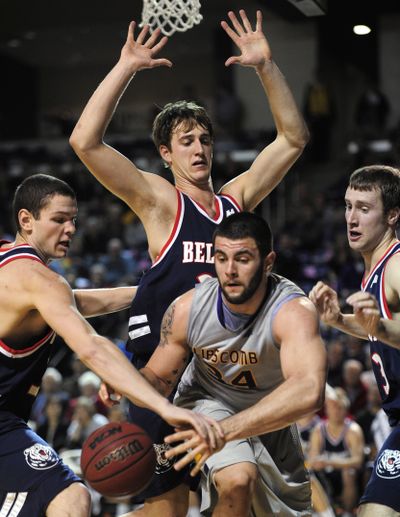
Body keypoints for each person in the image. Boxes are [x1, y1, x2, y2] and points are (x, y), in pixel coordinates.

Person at [69, 9, 309, 515]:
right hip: (159, 376)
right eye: (186, 142)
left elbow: (292, 140)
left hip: (216, 379)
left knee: (237, 486)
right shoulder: (160, 202)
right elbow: (85, 143)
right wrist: (126, 67)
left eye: (205, 139)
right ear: (165, 154)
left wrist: (266, 67)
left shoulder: (233, 203)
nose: (199, 149)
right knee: (170, 508)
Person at [0, 173, 219, 517]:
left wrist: (150, 294)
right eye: (59, 220)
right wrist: (164, 408)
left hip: (9, 421)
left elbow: (79, 301)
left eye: (73, 220)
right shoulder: (38, 279)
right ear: (25, 220)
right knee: (71, 499)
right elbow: (91, 346)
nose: (70, 229)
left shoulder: (13, 268)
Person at [135, 212, 327, 516]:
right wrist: (121, 382)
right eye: (221, 258)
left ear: (268, 262)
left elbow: (310, 391)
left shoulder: (292, 311)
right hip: (209, 402)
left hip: (269, 415)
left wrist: (227, 430)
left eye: (243, 259)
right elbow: (158, 378)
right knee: (238, 480)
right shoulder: (189, 308)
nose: (230, 270)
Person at [309, 164, 400, 516]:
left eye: (364, 208)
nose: (352, 218)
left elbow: (383, 327)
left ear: (393, 215)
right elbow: (378, 326)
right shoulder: (375, 270)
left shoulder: (394, 265)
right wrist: (339, 321)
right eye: (348, 206)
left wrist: (380, 326)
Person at [308, 387, 365, 516]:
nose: (336, 411)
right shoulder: (319, 430)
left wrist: (330, 462)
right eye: (333, 407)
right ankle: (322, 510)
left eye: (339, 407)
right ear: (327, 408)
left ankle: (347, 511)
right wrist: (319, 463)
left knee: (348, 473)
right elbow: (312, 460)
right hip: (325, 473)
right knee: (309, 475)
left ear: (345, 409)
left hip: (346, 474)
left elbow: (358, 461)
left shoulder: (353, 430)